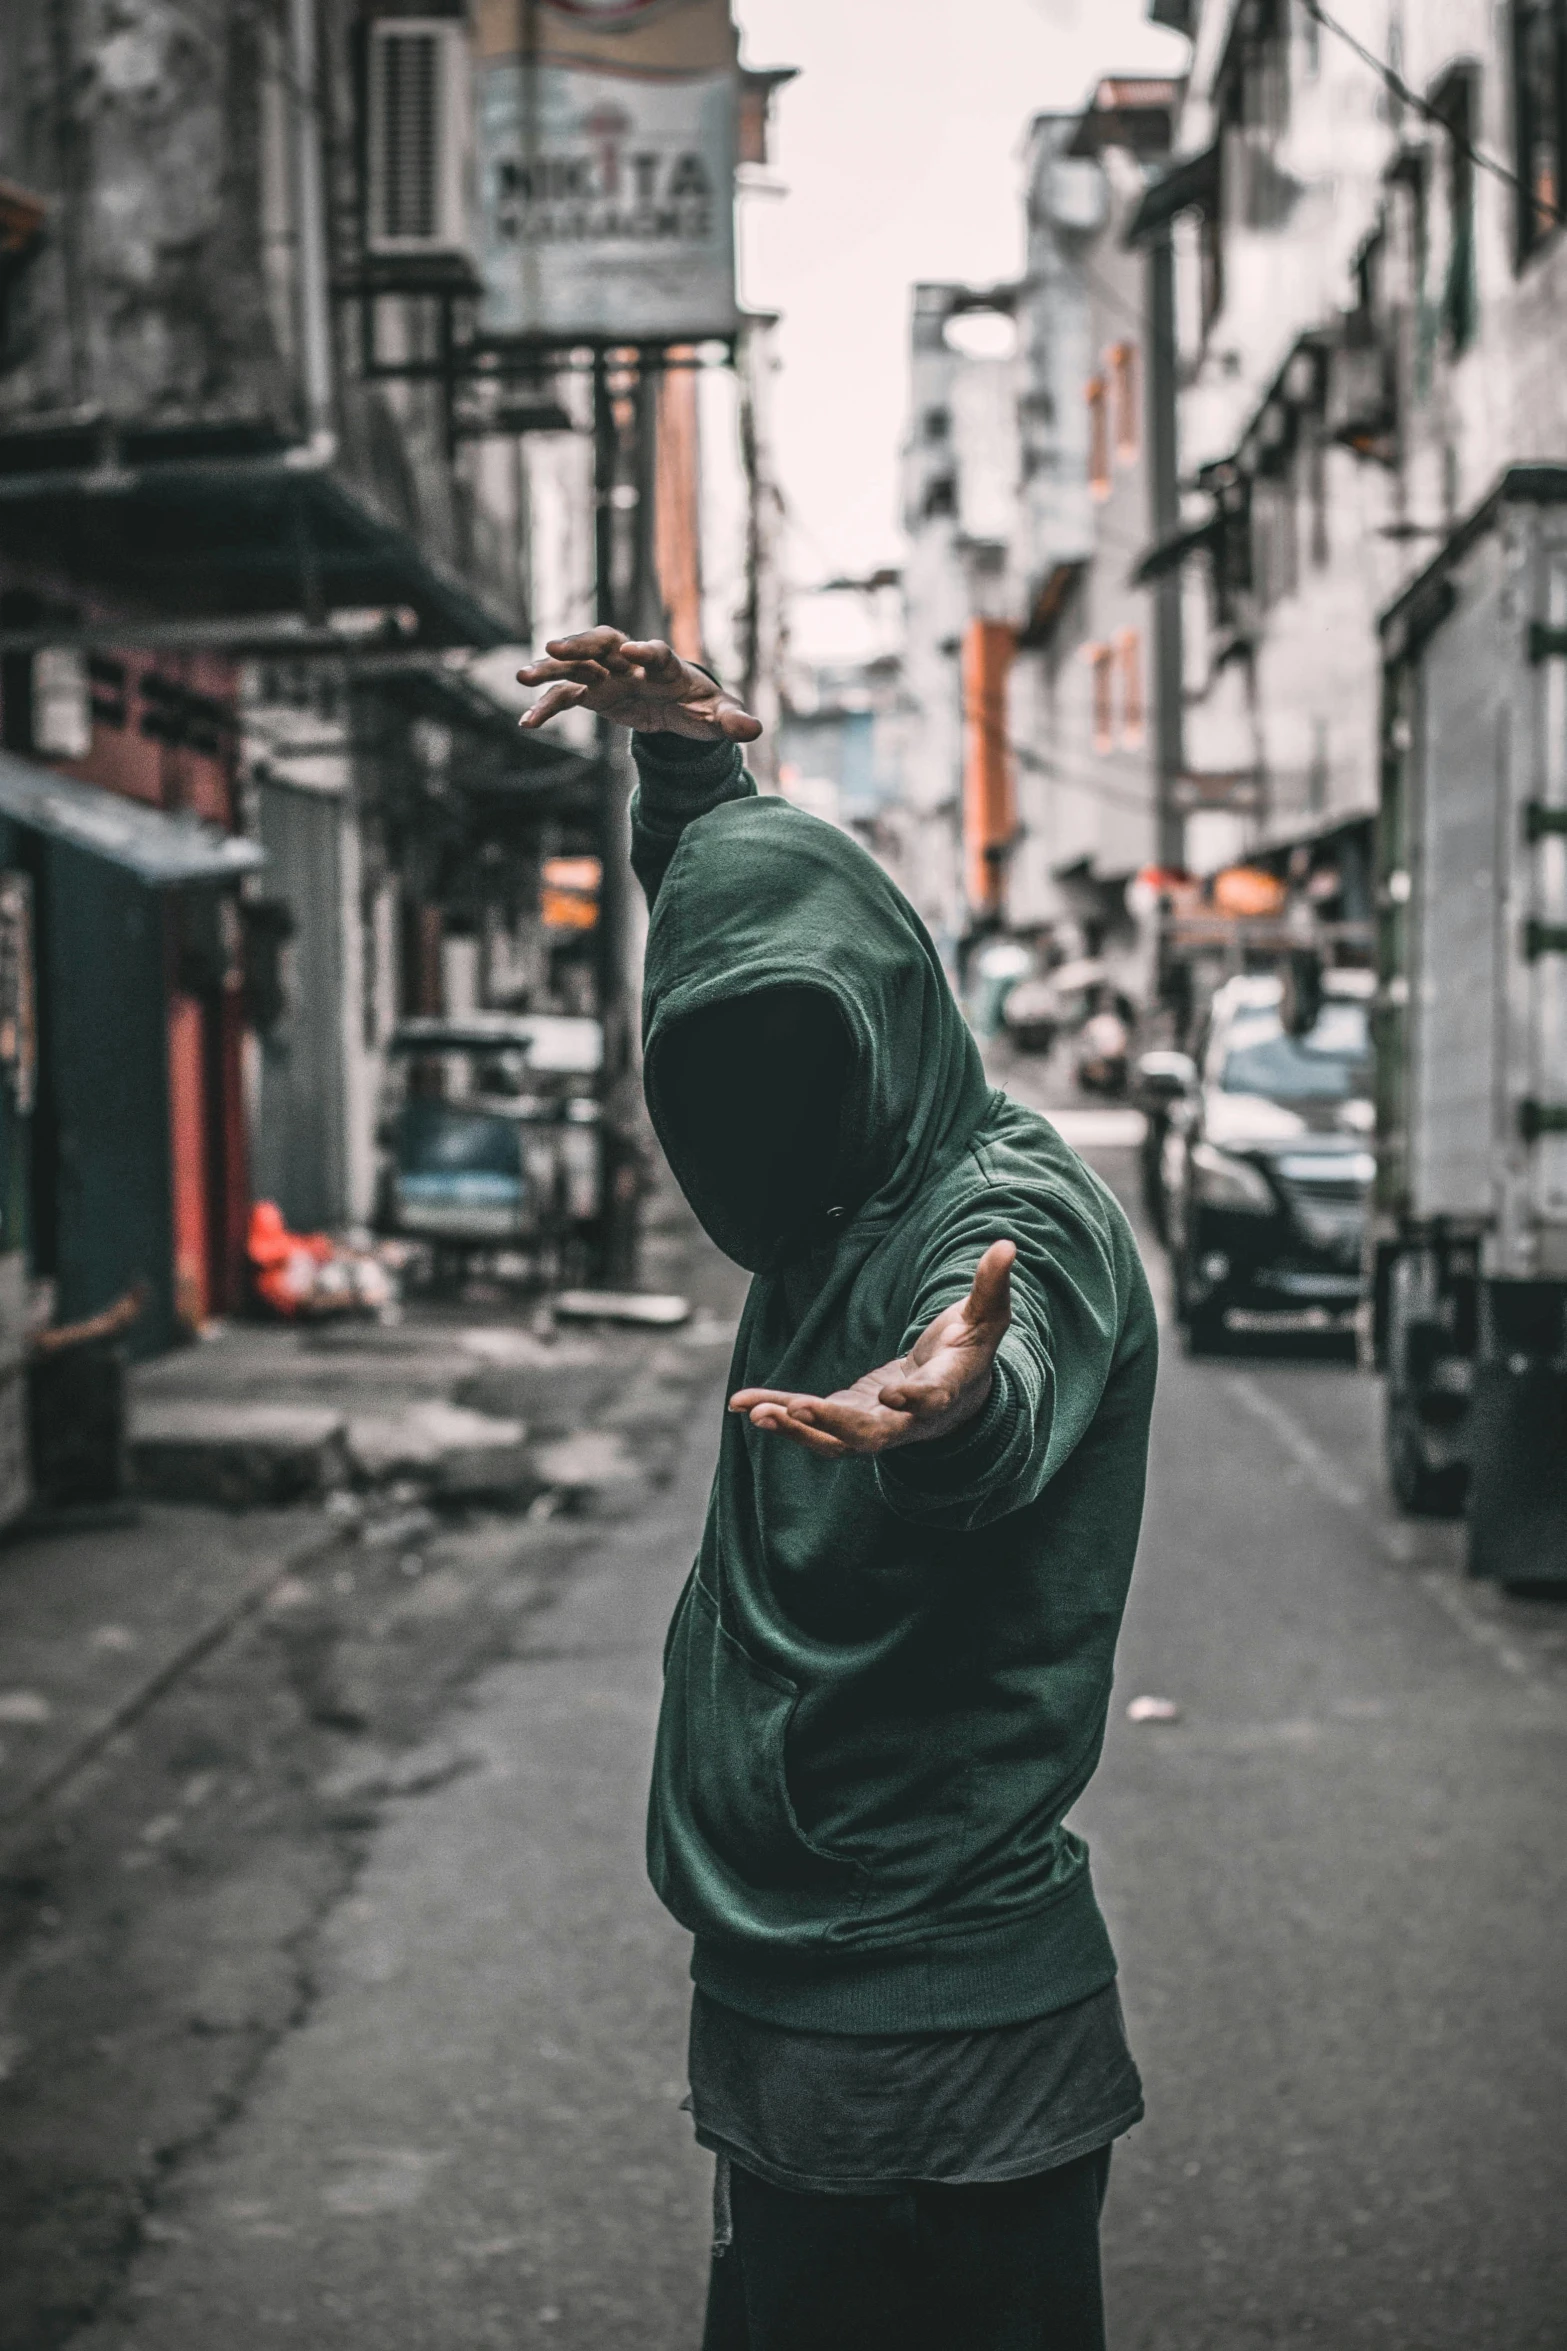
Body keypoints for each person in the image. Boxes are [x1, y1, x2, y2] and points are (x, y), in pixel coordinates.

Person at [518, 630, 1158, 2351]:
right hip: (787, 2012)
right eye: (720, 1064)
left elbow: (1004, 1378)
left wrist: (949, 1408)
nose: (757, 1107)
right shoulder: (834, 1199)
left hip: (949, 2032)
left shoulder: (1005, 1211)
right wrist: (683, 773)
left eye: (799, 1051)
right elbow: (755, 931)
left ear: (888, 1010)